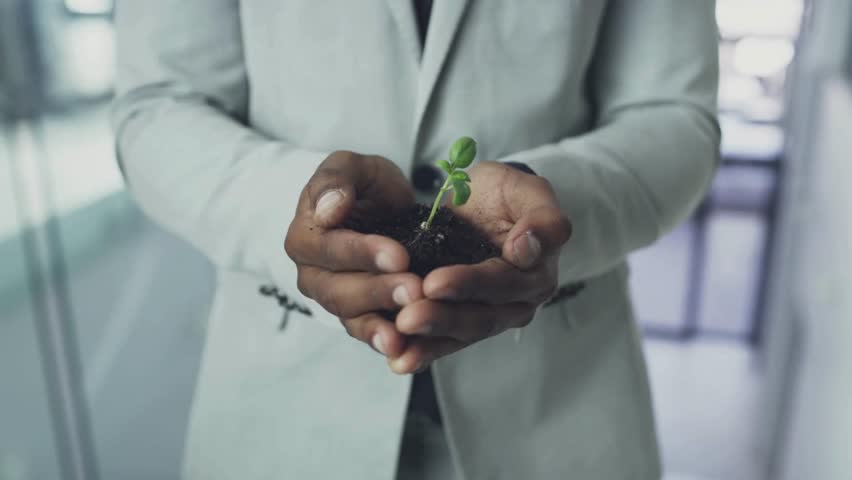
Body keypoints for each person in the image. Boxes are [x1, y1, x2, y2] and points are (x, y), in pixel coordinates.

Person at [112, 1, 719, 478]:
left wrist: (549, 199)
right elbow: (159, 106)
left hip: (561, 417)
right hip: (280, 415)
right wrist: (294, 207)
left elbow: (672, 114)